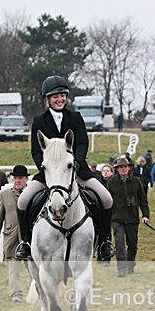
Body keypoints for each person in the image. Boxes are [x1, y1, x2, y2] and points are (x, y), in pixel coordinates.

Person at [15, 75, 115, 261]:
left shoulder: (75, 118)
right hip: (50, 175)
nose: (60, 99)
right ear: (47, 99)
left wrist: (76, 164)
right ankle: (26, 243)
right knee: (23, 201)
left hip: (77, 171)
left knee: (106, 198)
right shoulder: (39, 121)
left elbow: (82, 143)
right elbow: (36, 151)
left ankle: (104, 242)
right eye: (55, 96)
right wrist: (46, 170)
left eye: (62, 95)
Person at [0, 165, 31, 303]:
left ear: (26, 179)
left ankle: (36, 293)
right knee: (14, 268)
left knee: (32, 266)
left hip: (28, 236)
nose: (18, 181)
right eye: (15, 178)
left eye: (21, 178)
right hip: (12, 235)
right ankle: (16, 296)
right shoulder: (5, 194)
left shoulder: (32, 193)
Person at [106, 156, 150, 277]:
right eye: (121, 167)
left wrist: (145, 215)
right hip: (117, 219)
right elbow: (107, 202)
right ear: (117, 169)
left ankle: (130, 265)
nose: (124, 169)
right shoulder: (111, 183)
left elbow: (143, 200)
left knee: (132, 245)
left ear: (129, 168)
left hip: (132, 218)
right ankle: (121, 268)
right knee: (119, 244)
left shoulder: (136, 181)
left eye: (125, 166)